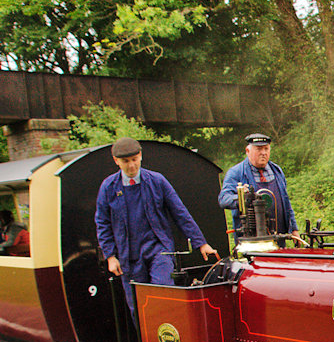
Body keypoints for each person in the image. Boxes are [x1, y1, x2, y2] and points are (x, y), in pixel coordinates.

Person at [95, 137, 218, 315]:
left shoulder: (157, 181)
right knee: (138, 308)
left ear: (140, 156)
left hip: (159, 250)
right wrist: (110, 257)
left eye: (134, 160)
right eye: (125, 162)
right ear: (116, 161)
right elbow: (102, 223)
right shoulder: (108, 187)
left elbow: (180, 213)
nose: (131, 166)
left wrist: (201, 243)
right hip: (128, 255)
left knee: (163, 293)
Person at [217, 133, 301, 243]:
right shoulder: (236, 173)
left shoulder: (277, 171)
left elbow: (286, 202)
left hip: (278, 237)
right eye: (259, 149)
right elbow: (223, 199)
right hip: (252, 240)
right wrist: (242, 199)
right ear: (248, 151)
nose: (263, 153)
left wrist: (294, 229)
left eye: (266, 149)